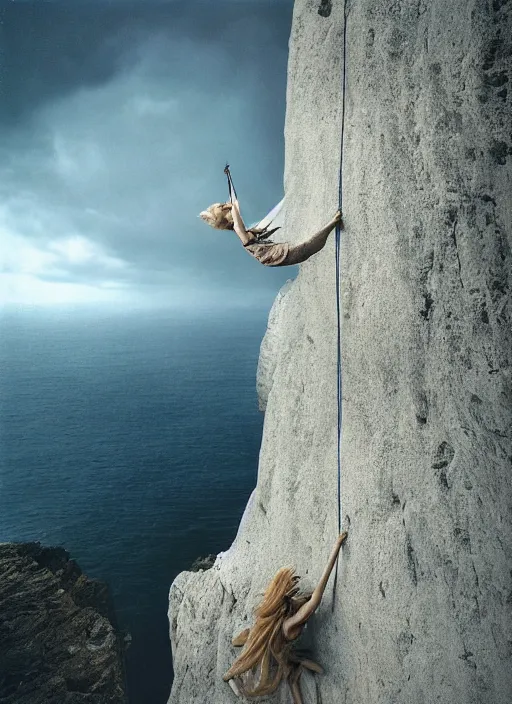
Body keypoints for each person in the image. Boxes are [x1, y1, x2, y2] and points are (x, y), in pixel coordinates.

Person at [223, 532, 348, 703]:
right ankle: (235, 673)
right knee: (298, 674)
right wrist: (336, 547)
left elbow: (305, 600)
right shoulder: (288, 624)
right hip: (281, 657)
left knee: (299, 671)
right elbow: (315, 600)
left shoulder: (280, 615)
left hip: (282, 651)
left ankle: (243, 657)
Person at [199, 167, 343, 267]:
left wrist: (229, 177)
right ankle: (333, 223)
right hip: (273, 255)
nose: (225, 204)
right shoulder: (238, 229)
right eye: (222, 206)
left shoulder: (241, 228)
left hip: (271, 251)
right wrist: (230, 206)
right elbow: (235, 204)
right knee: (306, 248)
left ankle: (332, 223)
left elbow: (234, 200)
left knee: (306, 248)